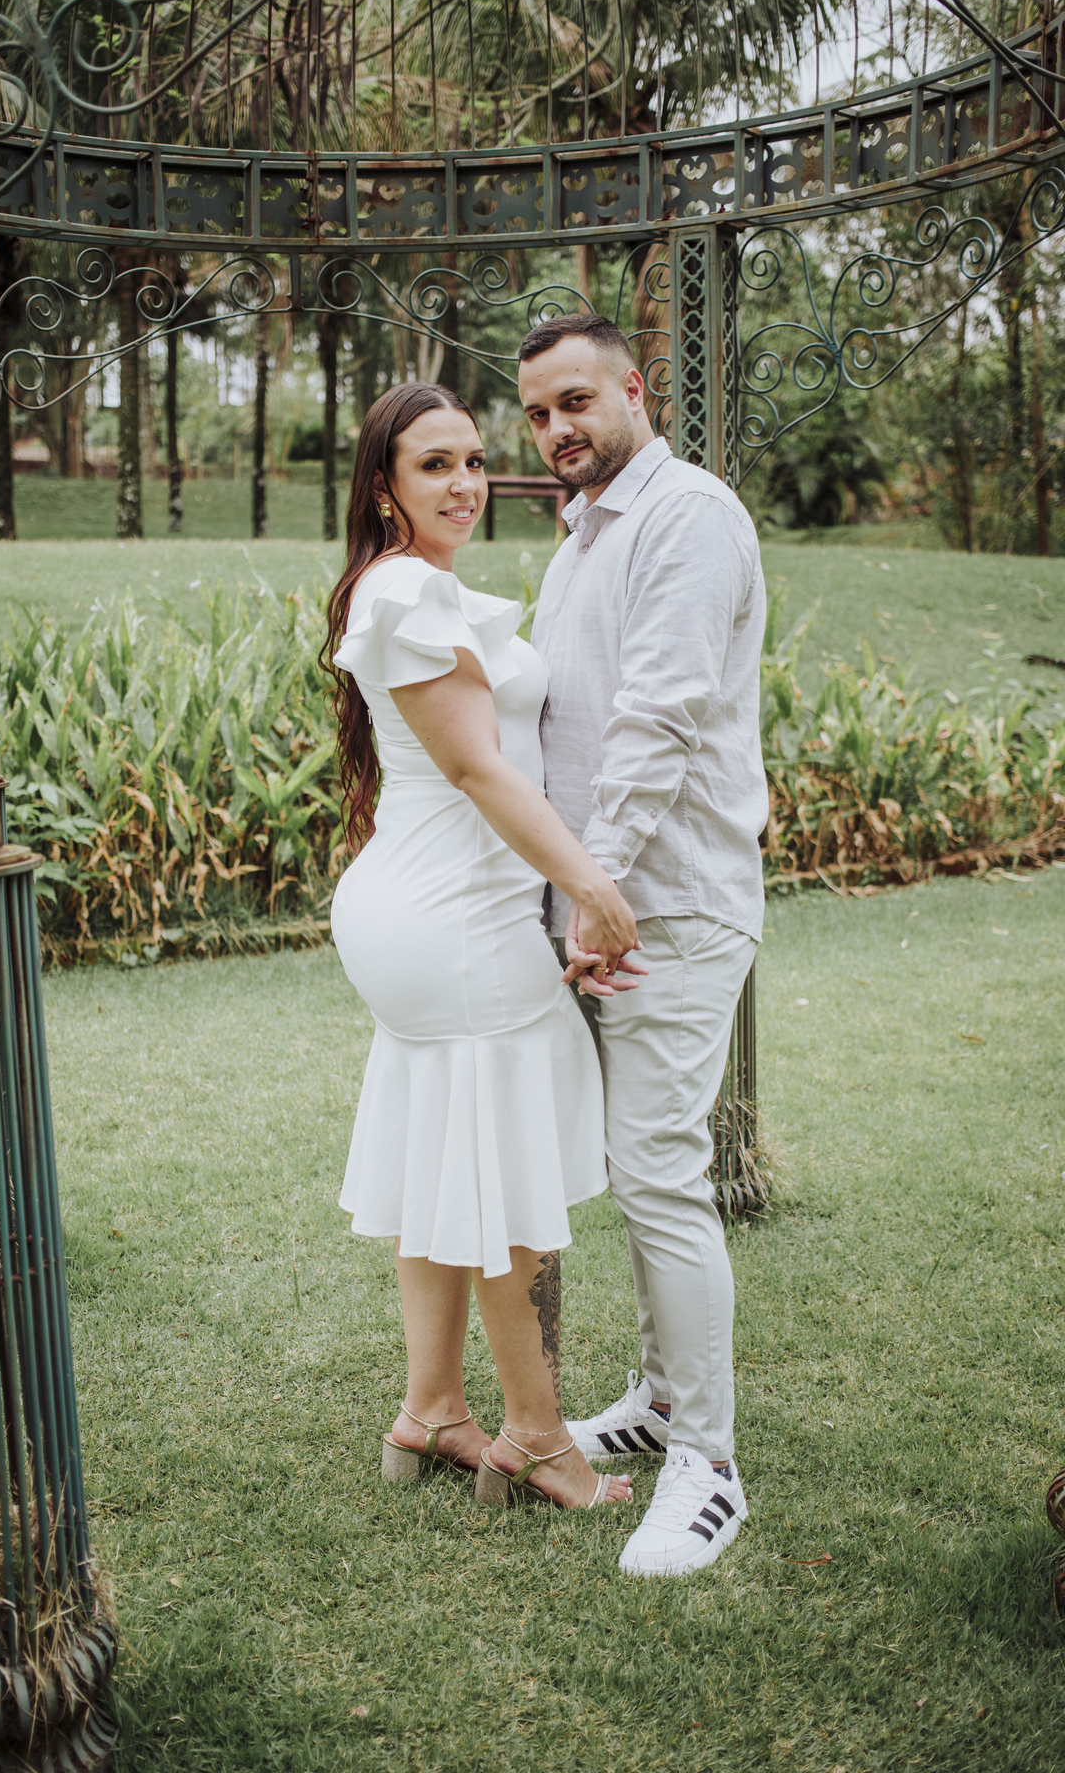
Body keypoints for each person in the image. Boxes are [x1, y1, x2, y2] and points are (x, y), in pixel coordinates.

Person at [323, 381, 642, 1511]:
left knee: (448, 1152)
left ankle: (432, 1412)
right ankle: (541, 1440)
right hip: (452, 917)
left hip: (424, 907)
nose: (465, 483)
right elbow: (475, 768)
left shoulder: (411, 584)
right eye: (434, 465)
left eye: (472, 460)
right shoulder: (409, 590)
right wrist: (591, 887)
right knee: (507, 1168)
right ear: (384, 488)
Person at [518, 313, 768, 1574]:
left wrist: (596, 889)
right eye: (537, 414)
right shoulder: (582, 536)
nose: (557, 429)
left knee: (661, 1174)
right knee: (637, 1170)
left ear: (633, 388)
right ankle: (663, 1401)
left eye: (576, 401)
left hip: (663, 904)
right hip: (603, 903)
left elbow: (659, 718)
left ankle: (708, 1464)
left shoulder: (689, 516)